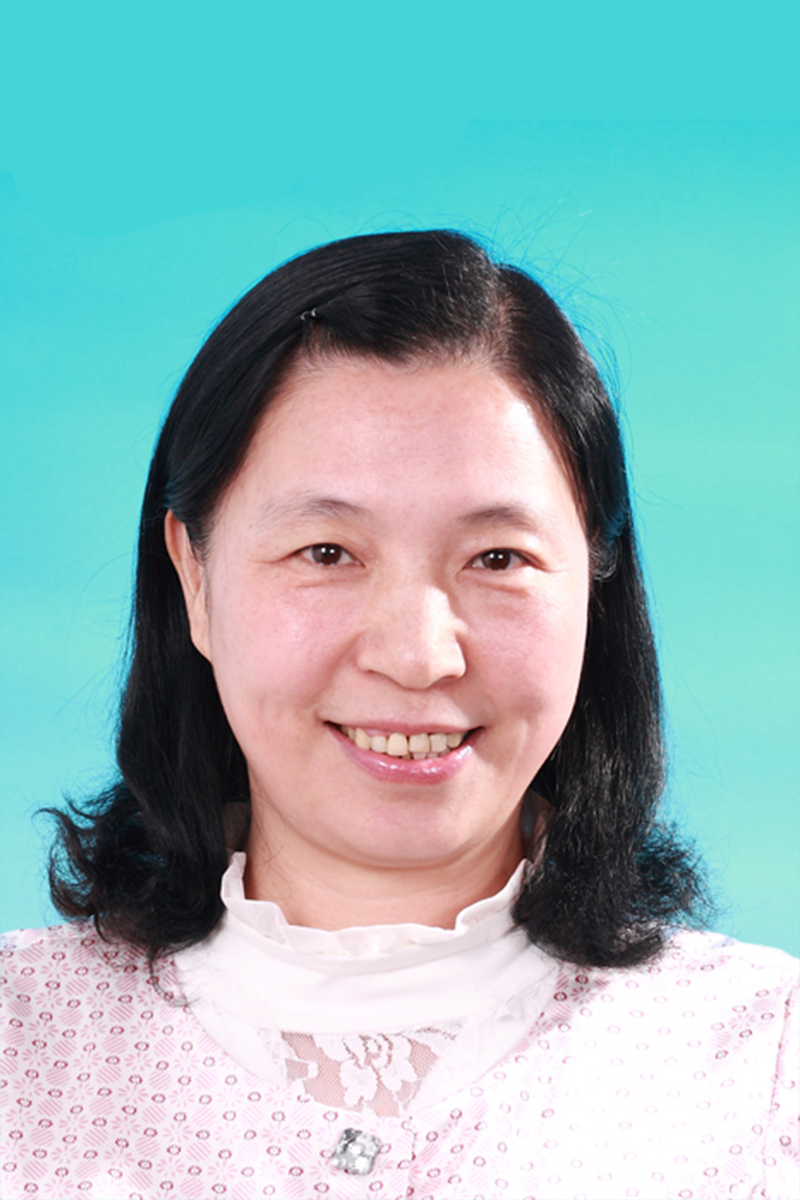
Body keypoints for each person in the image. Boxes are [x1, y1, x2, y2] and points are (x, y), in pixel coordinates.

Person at [1, 230, 796, 1200]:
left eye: (497, 558)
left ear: (594, 583)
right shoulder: (18, 1050)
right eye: (327, 552)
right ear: (194, 578)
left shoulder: (765, 1070)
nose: (418, 656)